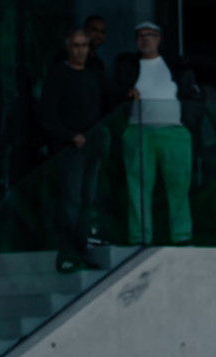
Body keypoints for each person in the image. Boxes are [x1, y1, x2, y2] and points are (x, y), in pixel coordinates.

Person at [110, 21, 199, 247]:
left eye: (150, 34)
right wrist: (125, 96)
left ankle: (181, 235)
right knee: (137, 186)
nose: (145, 38)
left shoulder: (175, 66)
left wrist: (187, 125)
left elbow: (191, 97)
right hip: (139, 131)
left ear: (158, 39)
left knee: (179, 184)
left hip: (174, 131)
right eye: (140, 35)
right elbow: (112, 94)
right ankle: (139, 237)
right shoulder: (128, 67)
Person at [42, 29, 110, 273]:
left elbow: (111, 94)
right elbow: (48, 116)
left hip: (94, 146)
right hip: (70, 149)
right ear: (68, 48)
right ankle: (67, 251)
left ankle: (82, 250)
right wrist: (70, 136)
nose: (80, 50)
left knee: (88, 200)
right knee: (71, 199)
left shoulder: (94, 74)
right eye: (76, 46)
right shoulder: (58, 74)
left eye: (84, 46)